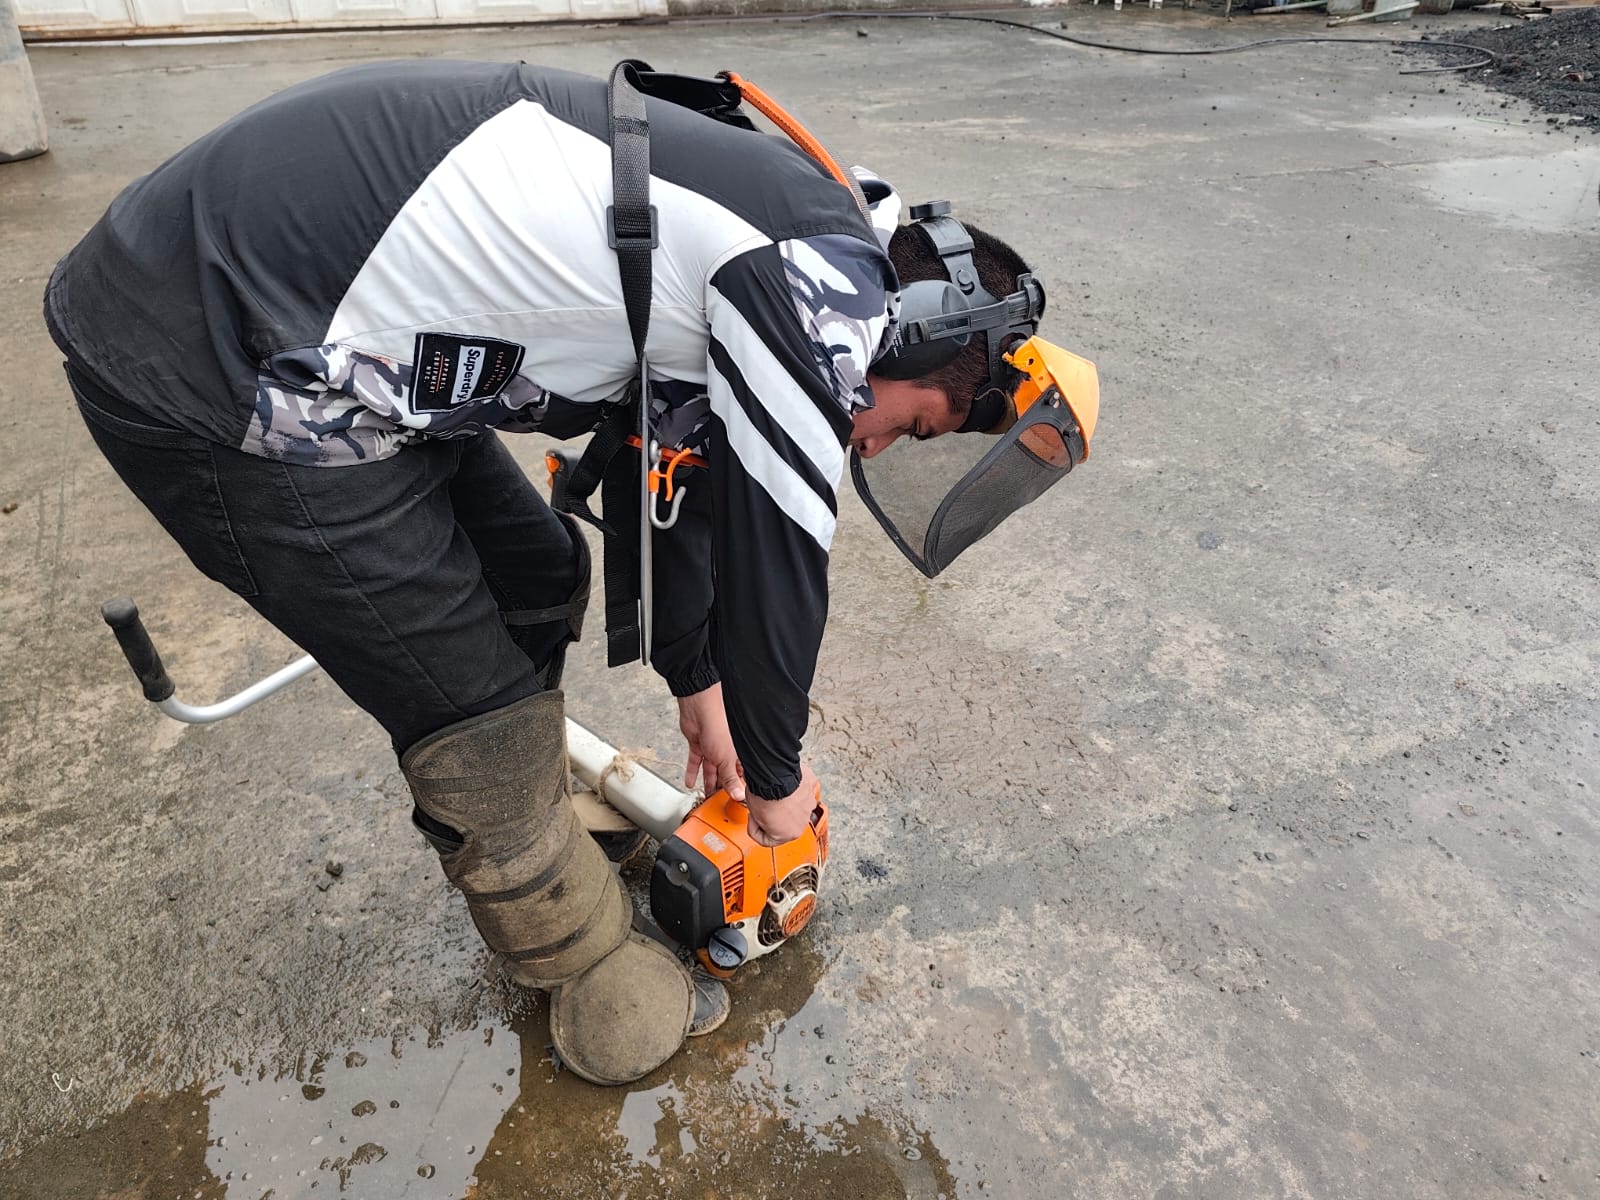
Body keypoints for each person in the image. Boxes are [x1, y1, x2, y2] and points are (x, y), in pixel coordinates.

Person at [45, 59, 1094, 1085]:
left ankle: (520, 819)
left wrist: (699, 685)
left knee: (539, 573)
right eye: (911, 423)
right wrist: (777, 785)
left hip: (322, 329)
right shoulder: (817, 291)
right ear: (912, 337)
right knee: (478, 709)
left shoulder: (804, 226)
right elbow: (779, 554)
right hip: (216, 354)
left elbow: (676, 478)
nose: (875, 444)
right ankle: (583, 965)